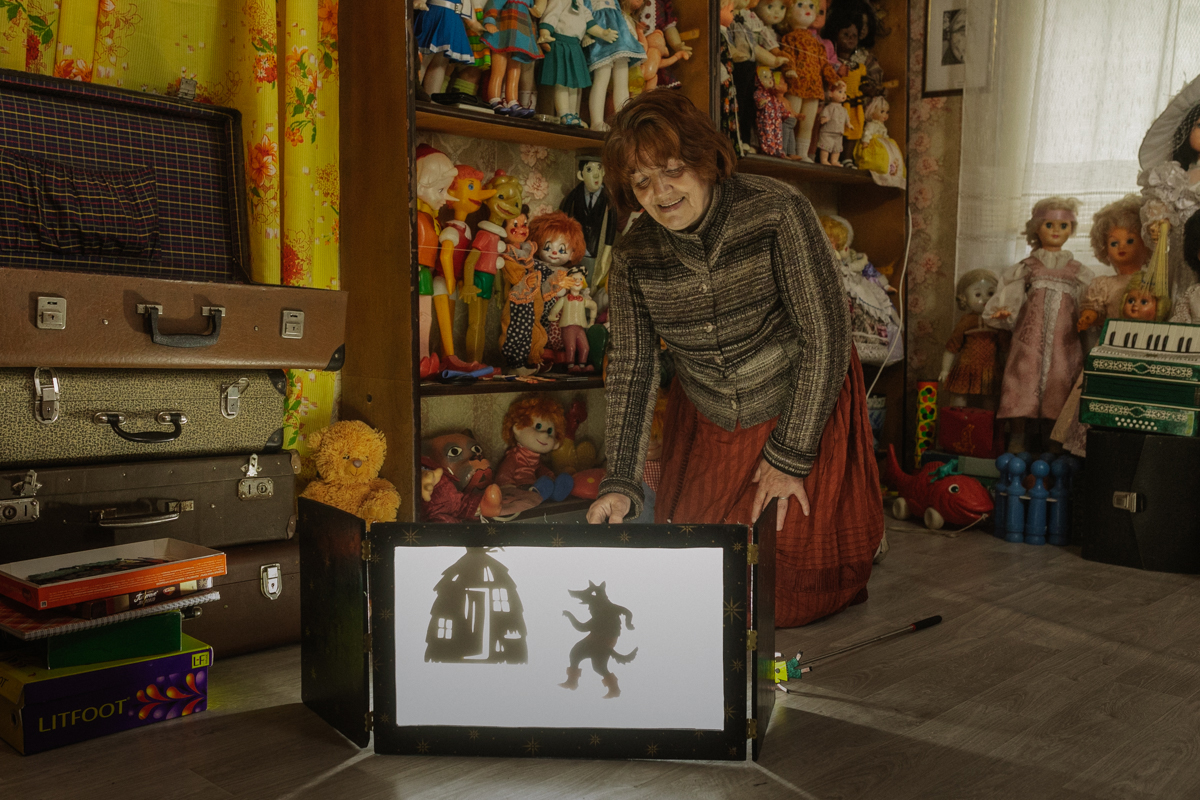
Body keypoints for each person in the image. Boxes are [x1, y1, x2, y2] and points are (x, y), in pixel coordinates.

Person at [586, 90, 884, 628]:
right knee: (704, 585)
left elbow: (826, 334)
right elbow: (632, 370)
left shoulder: (777, 209)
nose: (661, 193)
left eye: (672, 170)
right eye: (642, 181)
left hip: (801, 396)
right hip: (711, 414)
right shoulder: (633, 254)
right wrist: (621, 483)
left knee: (782, 595)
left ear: (703, 160)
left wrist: (790, 456)